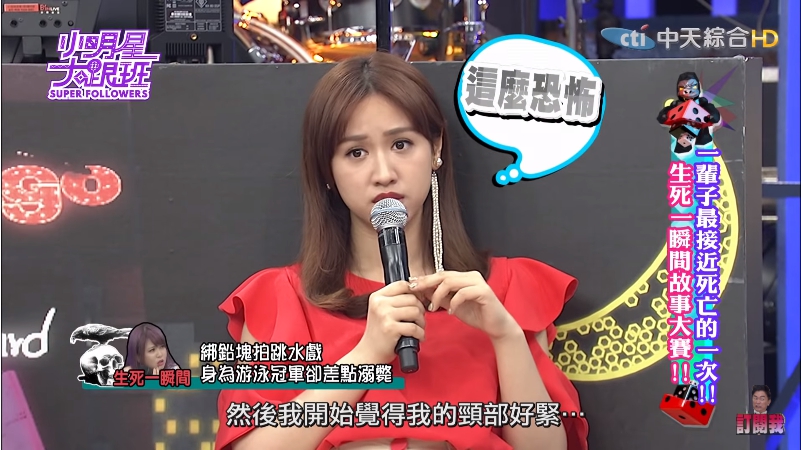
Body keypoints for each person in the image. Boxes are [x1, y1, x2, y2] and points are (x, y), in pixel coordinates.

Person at [215, 51, 589, 450]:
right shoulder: (282, 299)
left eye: (401, 144)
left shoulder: (505, 289)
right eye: (356, 153)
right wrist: (367, 355)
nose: (384, 173)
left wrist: (505, 337)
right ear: (327, 170)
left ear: (436, 148)